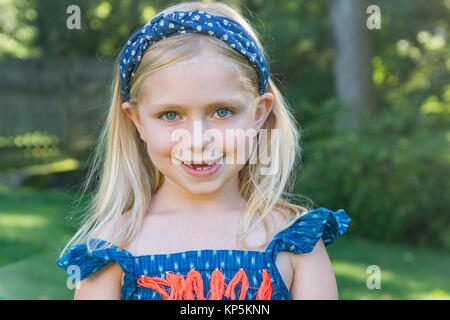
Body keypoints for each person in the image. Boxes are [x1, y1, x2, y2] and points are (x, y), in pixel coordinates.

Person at [56, 1, 350, 300]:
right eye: (170, 115)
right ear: (138, 122)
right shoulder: (112, 246)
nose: (198, 140)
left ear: (259, 113)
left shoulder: (294, 240)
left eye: (222, 112)